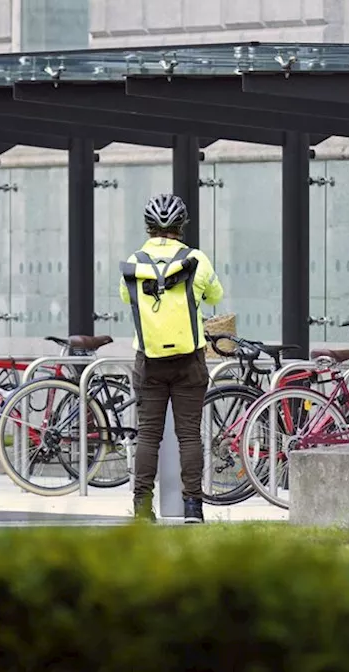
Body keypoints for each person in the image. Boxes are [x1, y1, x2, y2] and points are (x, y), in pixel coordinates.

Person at [119, 193, 224, 524]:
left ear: (148, 226)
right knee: (189, 434)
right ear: (182, 226)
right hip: (189, 360)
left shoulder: (134, 262)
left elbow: (127, 298)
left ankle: (141, 509)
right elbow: (216, 296)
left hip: (148, 359)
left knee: (149, 434)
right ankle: (193, 507)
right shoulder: (197, 260)